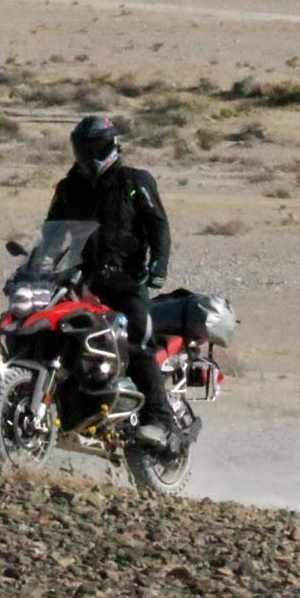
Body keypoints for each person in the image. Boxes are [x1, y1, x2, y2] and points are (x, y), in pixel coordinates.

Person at [45, 115, 177, 448]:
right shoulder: (69, 187)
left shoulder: (134, 181)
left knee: (138, 340)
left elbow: (158, 226)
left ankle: (160, 421)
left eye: (97, 147)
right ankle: (69, 410)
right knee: (53, 332)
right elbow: (51, 233)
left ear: (112, 145)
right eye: (84, 148)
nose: (90, 154)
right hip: (80, 282)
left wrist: (158, 266)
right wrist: (39, 266)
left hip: (125, 282)